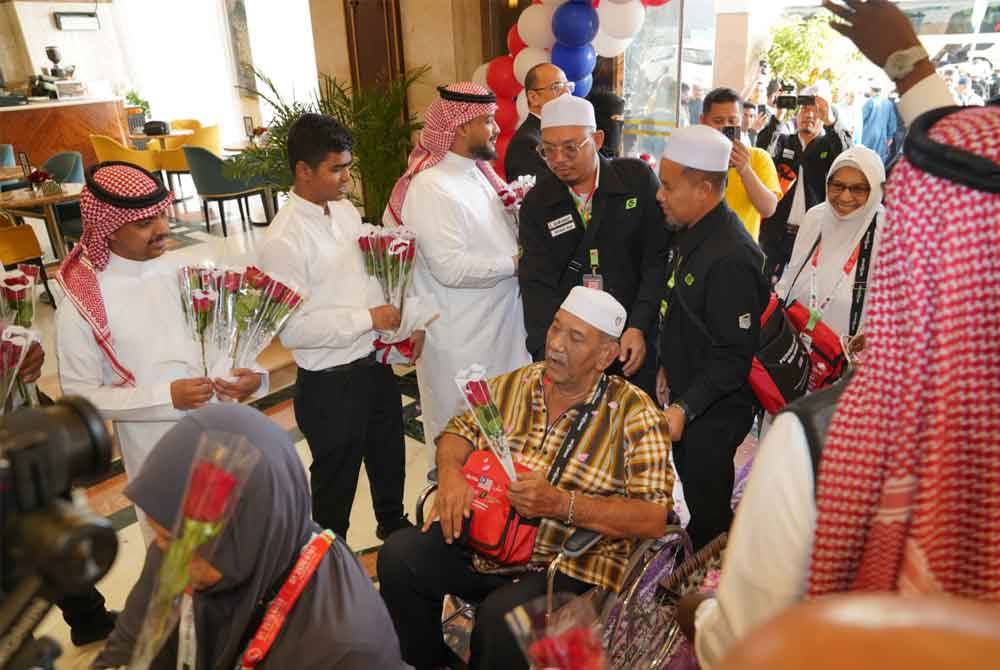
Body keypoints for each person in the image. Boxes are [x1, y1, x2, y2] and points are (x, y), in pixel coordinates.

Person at [683, 2, 998, 665]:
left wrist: (701, 615)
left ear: (912, 240)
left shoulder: (831, 441)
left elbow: (745, 646)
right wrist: (912, 68)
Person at [378, 287, 673, 670]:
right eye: (555, 328)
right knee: (400, 557)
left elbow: (652, 517)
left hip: (566, 561)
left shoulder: (635, 414)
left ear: (605, 356)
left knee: (501, 622)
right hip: (489, 537)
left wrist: (561, 505)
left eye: (575, 337)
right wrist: (451, 475)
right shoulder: (519, 383)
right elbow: (459, 430)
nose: (556, 345)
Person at [92, 404, 410, 670]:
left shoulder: (343, 647)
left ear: (245, 538)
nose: (168, 562)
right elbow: (129, 647)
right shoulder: (181, 546)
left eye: (183, 548)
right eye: (160, 539)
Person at [56, 163, 263, 523]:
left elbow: (227, 339)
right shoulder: (82, 304)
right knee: (178, 560)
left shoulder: (185, 269)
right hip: (158, 449)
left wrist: (255, 376)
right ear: (109, 230)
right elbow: (82, 397)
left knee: (247, 543)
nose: (163, 228)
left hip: (226, 435)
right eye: (144, 223)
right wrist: (167, 397)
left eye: (162, 215)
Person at [257, 113, 413, 542]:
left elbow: (365, 278)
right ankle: (325, 570)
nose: (347, 177)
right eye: (336, 169)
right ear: (303, 171)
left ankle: (395, 532)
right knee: (334, 489)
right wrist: (367, 320)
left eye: (348, 166)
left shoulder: (344, 212)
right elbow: (292, 332)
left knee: (389, 459)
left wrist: (394, 325)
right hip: (328, 384)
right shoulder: (282, 241)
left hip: (371, 364)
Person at [385, 83, 530, 468]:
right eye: (487, 120)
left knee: (502, 443)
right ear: (461, 126)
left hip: (499, 331)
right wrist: (516, 263)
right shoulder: (431, 186)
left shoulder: (480, 175)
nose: (496, 128)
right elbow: (450, 269)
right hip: (462, 340)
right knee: (461, 445)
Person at [655, 125, 768, 551]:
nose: (659, 195)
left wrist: (686, 407)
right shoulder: (691, 230)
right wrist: (668, 361)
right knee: (696, 488)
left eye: (668, 186)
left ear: (704, 189)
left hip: (716, 407)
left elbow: (732, 356)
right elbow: (683, 306)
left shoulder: (731, 256)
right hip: (691, 392)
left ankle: (709, 583)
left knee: (708, 505)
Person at [518, 94, 669, 397]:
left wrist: (639, 325)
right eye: (548, 150)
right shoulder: (538, 202)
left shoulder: (635, 180)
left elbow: (656, 261)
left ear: (598, 139)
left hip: (631, 341)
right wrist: (545, 354)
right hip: (574, 351)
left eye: (570, 148)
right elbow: (536, 284)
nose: (558, 159)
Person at [774, 146, 886, 361]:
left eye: (858, 189)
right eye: (838, 185)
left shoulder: (889, 232)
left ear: (875, 190)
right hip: (796, 348)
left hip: (848, 359)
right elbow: (792, 272)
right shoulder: (816, 217)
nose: (845, 197)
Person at [759, 87, 853, 283]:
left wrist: (831, 123)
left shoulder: (828, 145)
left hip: (813, 235)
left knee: (801, 290)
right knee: (765, 284)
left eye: (815, 110)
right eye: (804, 109)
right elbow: (763, 153)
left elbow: (847, 157)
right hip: (776, 233)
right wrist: (777, 116)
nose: (809, 114)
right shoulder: (784, 141)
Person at [700, 87, 780, 241]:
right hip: (698, 251)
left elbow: (768, 209)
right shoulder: (692, 157)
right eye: (718, 121)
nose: (725, 127)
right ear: (703, 121)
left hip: (742, 257)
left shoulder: (758, 158)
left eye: (732, 121)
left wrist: (745, 170)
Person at [504, 63, 571, 181]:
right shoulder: (526, 143)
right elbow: (539, 196)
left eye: (568, 87)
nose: (567, 94)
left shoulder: (563, 134)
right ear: (533, 98)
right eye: (557, 87)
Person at [860, 85, 898, 163]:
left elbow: (860, 120)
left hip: (867, 136)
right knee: (877, 163)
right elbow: (892, 123)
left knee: (863, 161)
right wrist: (890, 137)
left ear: (871, 90)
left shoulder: (870, 102)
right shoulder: (889, 104)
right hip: (882, 139)